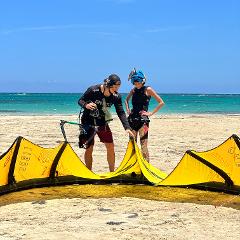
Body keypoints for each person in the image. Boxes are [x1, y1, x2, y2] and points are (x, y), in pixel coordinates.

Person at [78, 74, 134, 172]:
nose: (117, 90)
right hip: (87, 121)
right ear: (108, 85)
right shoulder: (93, 90)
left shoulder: (116, 96)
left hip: (102, 122)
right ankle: (89, 172)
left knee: (110, 146)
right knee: (89, 148)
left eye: (118, 87)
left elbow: (120, 112)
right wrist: (86, 105)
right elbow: (80, 100)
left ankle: (112, 172)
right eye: (115, 87)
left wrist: (127, 127)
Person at [125, 68, 165, 162]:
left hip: (143, 122)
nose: (136, 84)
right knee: (132, 145)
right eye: (134, 82)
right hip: (132, 120)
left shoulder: (148, 89)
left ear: (142, 80)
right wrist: (128, 110)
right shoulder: (133, 90)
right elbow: (126, 100)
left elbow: (161, 102)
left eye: (138, 81)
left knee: (143, 145)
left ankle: (146, 167)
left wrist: (150, 113)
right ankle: (133, 167)